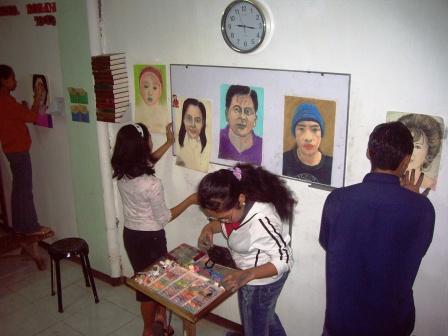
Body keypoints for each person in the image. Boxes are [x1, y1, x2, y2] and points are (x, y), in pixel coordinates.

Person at [319, 121, 435, 336]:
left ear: (368, 152)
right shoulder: (422, 210)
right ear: (407, 161)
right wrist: (412, 198)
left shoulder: (337, 200)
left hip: (342, 322)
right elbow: (415, 251)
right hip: (391, 324)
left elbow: (328, 243)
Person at [111, 122, 197, 336]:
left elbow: (149, 160)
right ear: (142, 146)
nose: (151, 142)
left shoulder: (123, 171)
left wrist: (169, 142)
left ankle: (159, 321)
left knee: (150, 282)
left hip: (131, 236)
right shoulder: (151, 184)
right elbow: (164, 218)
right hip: (150, 239)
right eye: (149, 138)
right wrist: (190, 200)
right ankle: (148, 330)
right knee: (150, 289)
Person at [197, 163, 296, 336]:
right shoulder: (237, 204)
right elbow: (226, 222)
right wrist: (210, 228)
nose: (222, 222)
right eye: (213, 217)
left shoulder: (261, 220)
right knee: (266, 317)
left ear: (240, 199)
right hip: (251, 273)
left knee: (255, 326)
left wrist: (248, 274)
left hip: (261, 281)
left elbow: (286, 259)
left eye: (225, 218)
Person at [283, 102, 333, 184]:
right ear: (294, 133)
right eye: (301, 129)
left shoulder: (332, 166)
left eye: (314, 129)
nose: (308, 138)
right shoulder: (283, 161)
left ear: (321, 133)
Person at [218, 85, 262, 165]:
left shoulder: (261, 146)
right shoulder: (218, 139)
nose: (242, 117)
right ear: (226, 114)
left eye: (248, 111)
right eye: (237, 109)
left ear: (255, 119)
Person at [397, 113, 443, 190]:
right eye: (404, 143)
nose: (409, 150)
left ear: (429, 153)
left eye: (417, 146)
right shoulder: (388, 181)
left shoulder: (432, 186)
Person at [176, 98, 210, 172]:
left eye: (197, 120)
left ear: (203, 123)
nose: (193, 125)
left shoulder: (207, 149)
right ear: (183, 120)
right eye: (189, 118)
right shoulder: (178, 145)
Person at [136, 66, 168, 134]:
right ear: (140, 89)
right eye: (146, 86)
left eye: (154, 88)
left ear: (160, 90)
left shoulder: (164, 115)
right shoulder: (137, 113)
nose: (150, 93)